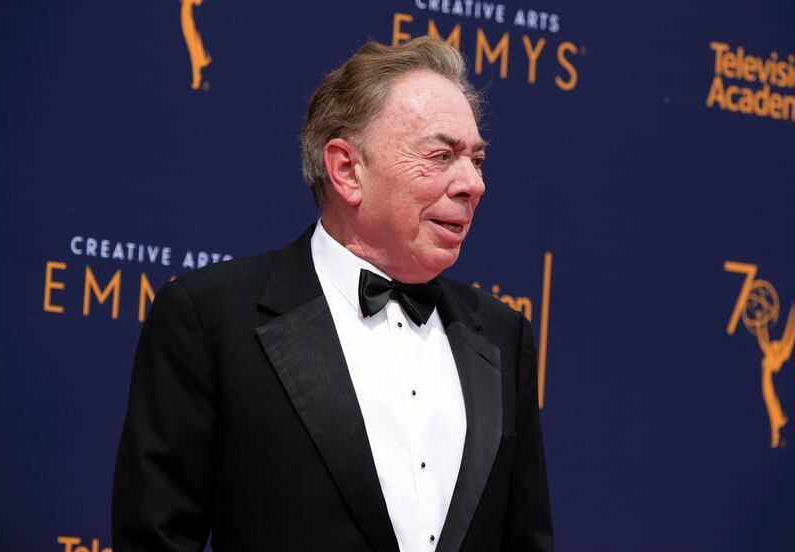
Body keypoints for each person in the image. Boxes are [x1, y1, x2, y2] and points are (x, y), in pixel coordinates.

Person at [113, 36, 553, 552]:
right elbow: (158, 539)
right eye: (441, 155)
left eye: (476, 160)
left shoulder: (502, 335)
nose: (473, 184)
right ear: (347, 170)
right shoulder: (211, 319)